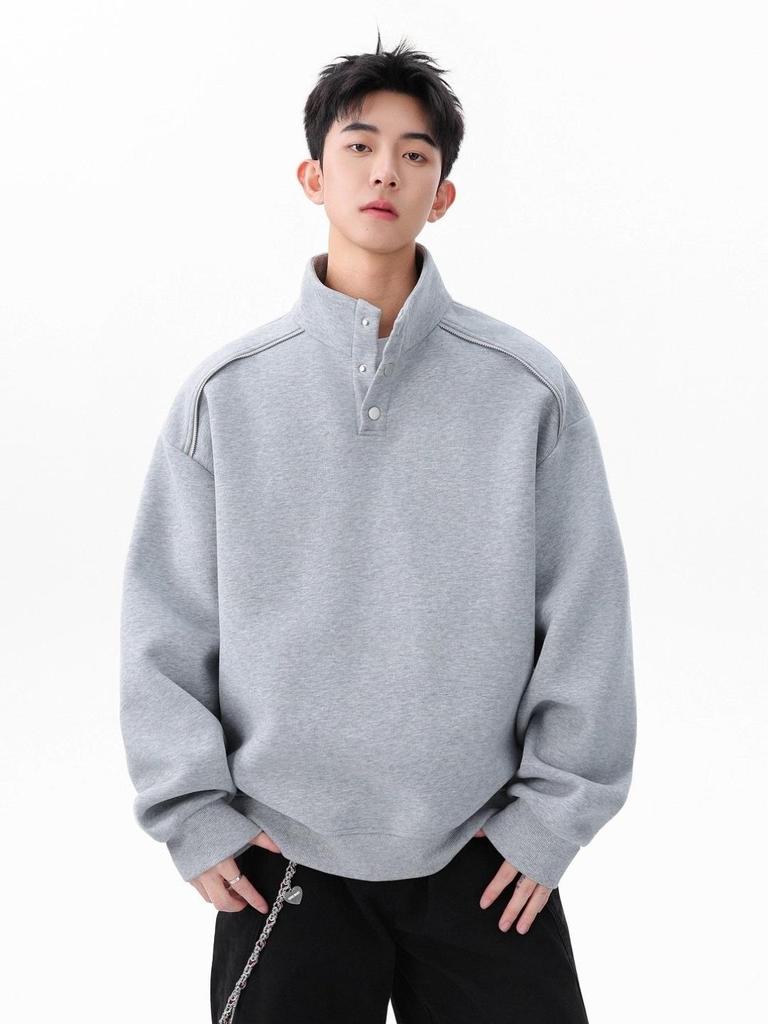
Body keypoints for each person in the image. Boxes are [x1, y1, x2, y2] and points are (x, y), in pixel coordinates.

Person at [119, 31, 637, 1024]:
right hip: (281, 857)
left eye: (414, 153)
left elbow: (587, 612)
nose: (385, 170)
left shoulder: (526, 391)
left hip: (488, 855)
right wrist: (191, 812)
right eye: (359, 146)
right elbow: (165, 620)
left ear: (443, 193)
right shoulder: (227, 396)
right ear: (314, 176)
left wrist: (551, 818)